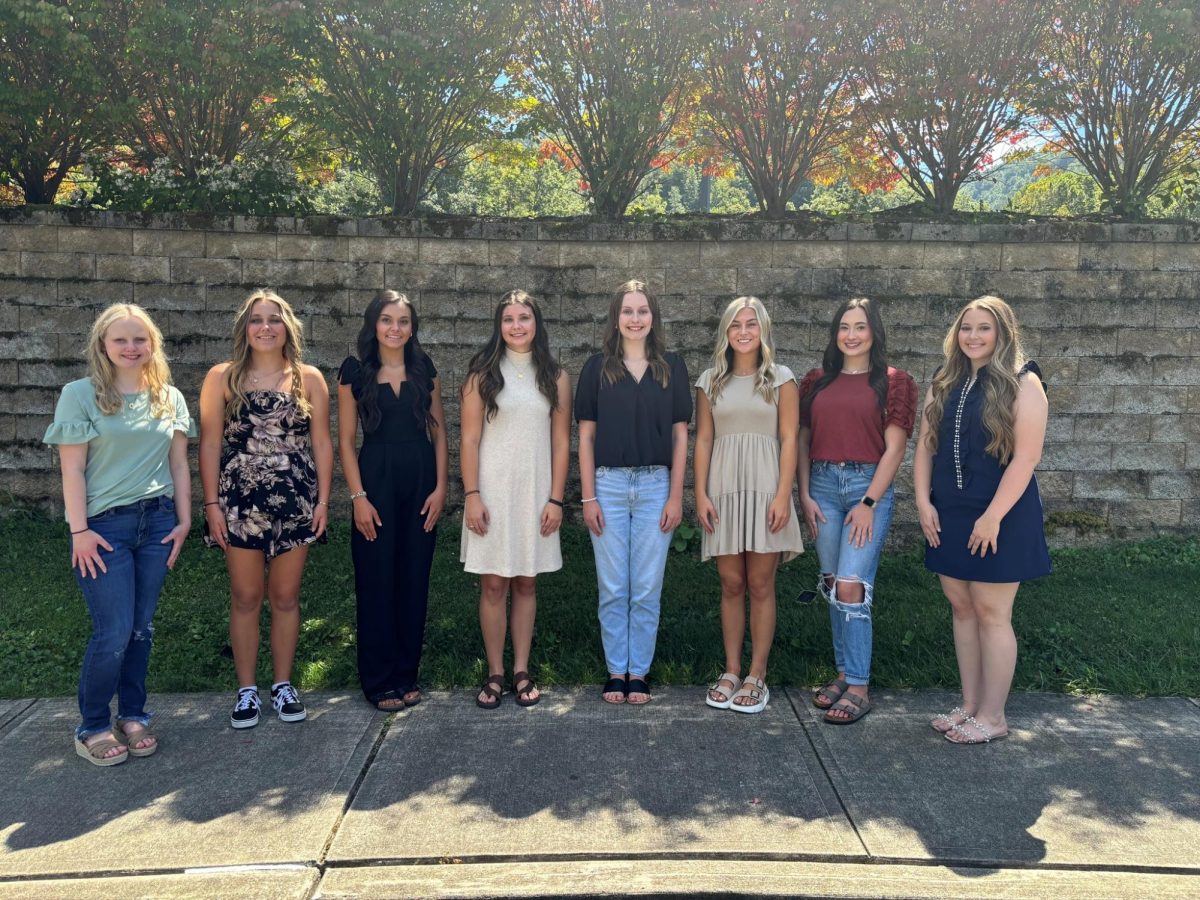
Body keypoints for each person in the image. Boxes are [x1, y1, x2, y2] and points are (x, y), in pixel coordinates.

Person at [45, 303, 193, 766]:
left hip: (158, 524)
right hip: (104, 529)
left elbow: (178, 465)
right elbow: (72, 470)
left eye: (139, 339)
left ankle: (133, 716)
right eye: (121, 340)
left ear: (153, 345)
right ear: (103, 346)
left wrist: (185, 521)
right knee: (112, 631)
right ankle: (91, 725)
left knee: (141, 629)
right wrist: (79, 531)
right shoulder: (79, 395)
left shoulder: (169, 397)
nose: (131, 348)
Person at [914, 295, 1050, 744]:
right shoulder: (944, 379)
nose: (973, 336)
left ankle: (994, 716)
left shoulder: (1023, 382)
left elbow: (1026, 458)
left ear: (1003, 333)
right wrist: (923, 502)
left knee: (992, 612)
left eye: (984, 328)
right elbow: (925, 448)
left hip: (1001, 513)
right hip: (948, 511)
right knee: (961, 607)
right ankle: (970, 705)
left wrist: (992, 517)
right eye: (966, 327)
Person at [199, 289, 333, 729]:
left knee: (285, 596)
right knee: (246, 596)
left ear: (287, 327)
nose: (265, 327)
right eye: (257, 319)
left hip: (296, 501)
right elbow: (210, 443)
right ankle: (246, 691)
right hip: (239, 502)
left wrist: (324, 502)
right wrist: (212, 504)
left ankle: (282, 684)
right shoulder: (222, 378)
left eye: (274, 319)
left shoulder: (308, 378)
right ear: (245, 327)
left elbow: (322, 443)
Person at [797, 298, 917, 725]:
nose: (851, 335)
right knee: (832, 583)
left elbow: (896, 447)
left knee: (852, 585)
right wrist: (804, 494)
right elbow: (802, 441)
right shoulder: (816, 381)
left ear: (874, 333)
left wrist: (868, 502)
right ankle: (844, 672)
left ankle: (861, 686)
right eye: (844, 327)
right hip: (823, 487)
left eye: (860, 327)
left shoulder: (893, 382)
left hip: (868, 485)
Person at [576, 279, 692, 705]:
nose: (635, 318)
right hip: (606, 484)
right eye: (628, 311)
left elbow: (681, 436)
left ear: (653, 318)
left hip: (655, 485)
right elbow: (585, 437)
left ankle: (638, 672)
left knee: (645, 586)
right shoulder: (596, 368)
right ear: (616, 318)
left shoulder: (671, 367)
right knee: (613, 586)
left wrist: (676, 495)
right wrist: (588, 497)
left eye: (643, 311)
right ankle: (615, 671)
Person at [460, 290, 571, 709]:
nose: (517, 326)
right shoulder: (481, 374)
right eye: (509, 319)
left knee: (526, 580)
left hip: (536, 493)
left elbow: (562, 443)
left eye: (525, 317)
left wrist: (556, 499)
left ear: (536, 323)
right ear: (499, 325)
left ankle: (521, 668)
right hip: (491, 492)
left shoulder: (555, 376)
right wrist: (472, 495)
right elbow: (469, 440)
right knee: (492, 583)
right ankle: (495, 672)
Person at [338, 291, 447, 711]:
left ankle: (406, 673)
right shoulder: (355, 372)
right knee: (376, 578)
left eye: (403, 321)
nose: (395, 329)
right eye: (387, 320)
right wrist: (358, 497)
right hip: (375, 480)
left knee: (413, 577)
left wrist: (441, 487)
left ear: (412, 328)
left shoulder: (424, 369)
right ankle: (379, 679)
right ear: (374, 324)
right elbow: (346, 441)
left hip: (421, 480)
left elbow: (438, 431)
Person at [695, 297, 803, 714]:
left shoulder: (781, 379)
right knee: (730, 583)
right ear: (725, 331)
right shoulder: (709, 381)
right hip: (723, 490)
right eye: (735, 324)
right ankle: (731, 669)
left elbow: (790, 438)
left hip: (765, 489)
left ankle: (757, 674)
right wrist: (700, 492)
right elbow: (703, 439)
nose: (743, 331)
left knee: (760, 583)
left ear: (763, 331)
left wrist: (782, 494)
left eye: (751, 324)